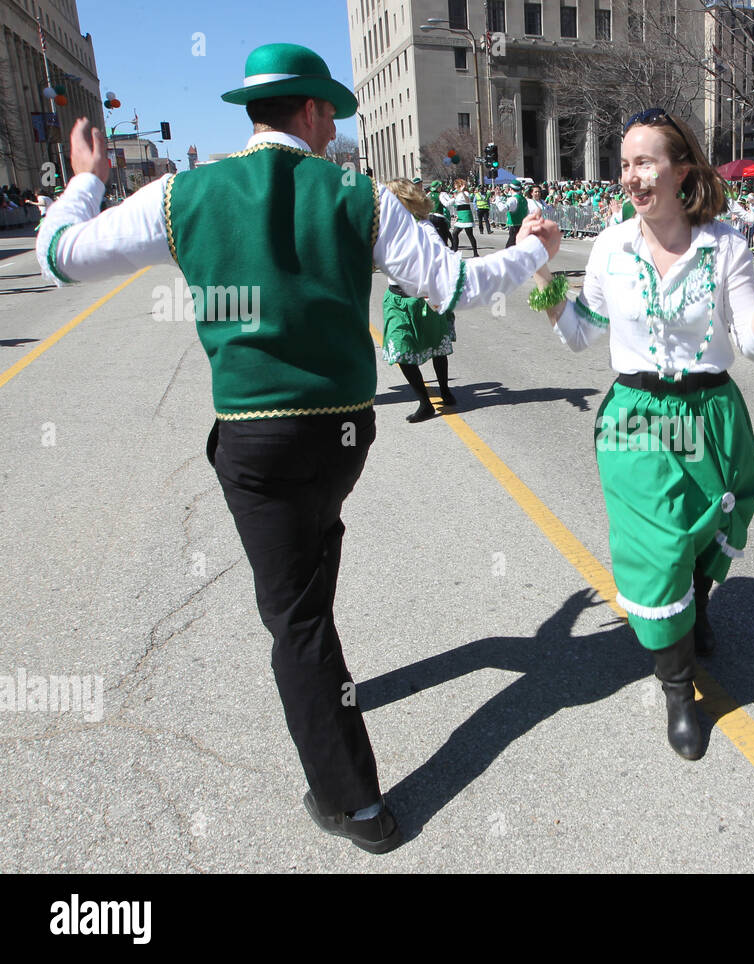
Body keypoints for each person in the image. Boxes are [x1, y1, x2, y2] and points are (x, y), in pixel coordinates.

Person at [34, 42, 560, 853]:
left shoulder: (182, 195)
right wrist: (533, 252)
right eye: (330, 114)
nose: (333, 128)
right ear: (311, 111)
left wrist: (86, 179)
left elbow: (60, 258)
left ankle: (354, 805)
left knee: (296, 623)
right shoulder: (359, 195)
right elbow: (454, 287)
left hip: (257, 439)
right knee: (314, 566)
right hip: (344, 432)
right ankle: (327, 679)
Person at [528, 108, 754, 760]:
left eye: (645, 162)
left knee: (705, 532)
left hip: (711, 414)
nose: (632, 176)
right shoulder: (611, 246)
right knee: (657, 554)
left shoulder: (725, 246)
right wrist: (543, 273)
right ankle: (679, 691)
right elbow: (576, 334)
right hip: (636, 420)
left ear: (681, 170)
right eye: (625, 164)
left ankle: (698, 608)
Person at [382, 178, 459, 421]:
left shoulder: (424, 227)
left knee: (437, 347)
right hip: (395, 299)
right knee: (401, 350)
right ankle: (424, 402)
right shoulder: (384, 227)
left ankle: (445, 389)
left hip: (422, 299)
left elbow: (440, 256)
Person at [444, 178, 480, 256]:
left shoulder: (466, 193)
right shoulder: (457, 194)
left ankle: (475, 252)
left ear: (459, 185)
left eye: (456, 184)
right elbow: (450, 203)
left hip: (466, 215)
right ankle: (455, 251)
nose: (455, 186)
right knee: (454, 233)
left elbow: (467, 201)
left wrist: (463, 191)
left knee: (469, 234)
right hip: (460, 215)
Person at [503, 180, 527, 247]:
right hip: (522, 226)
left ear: (510, 189)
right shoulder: (524, 199)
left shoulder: (513, 199)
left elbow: (502, 209)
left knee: (509, 250)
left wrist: (497, 199)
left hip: (514, 227)